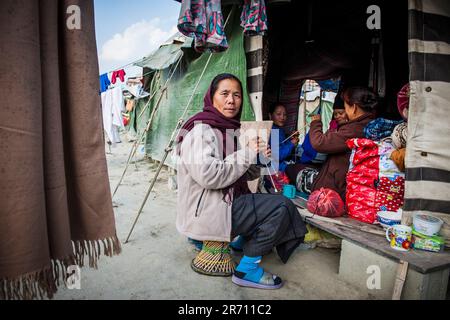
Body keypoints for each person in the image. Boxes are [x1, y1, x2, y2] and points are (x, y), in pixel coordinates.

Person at [176, 74, 307, 290]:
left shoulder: (226, 129)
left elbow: (238, 173)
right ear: (212, 97)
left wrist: (257, 158)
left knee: (269, 200)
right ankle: (248, 268)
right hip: (206, 213)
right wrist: (246, 153)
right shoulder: (201, 130)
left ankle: (242, 242)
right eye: (224, 94)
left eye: (236, 95)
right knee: (282, 206)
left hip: (218, 204)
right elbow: (210, 176)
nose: (231, 100)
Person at [285, 87, 377, 202]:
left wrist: (315, 123)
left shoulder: (355, 129)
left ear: (353, 108)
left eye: (345, 108)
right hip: (340, 181)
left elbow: (319, 143)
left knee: (291, 169)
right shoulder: (370, 125)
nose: (339, 115)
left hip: (334, 189)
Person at [268, 103, 299, 172]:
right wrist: (291, 143)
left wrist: (291, 138)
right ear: (270, 116)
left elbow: (281, 145)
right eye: (278, 114)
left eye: (284, 115)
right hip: (277, 168)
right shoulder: (273, 131)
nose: (282, 117)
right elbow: (277, 156)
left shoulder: (279, 129)